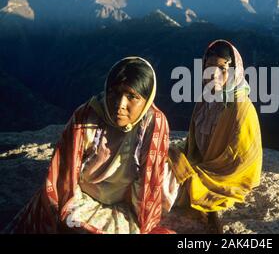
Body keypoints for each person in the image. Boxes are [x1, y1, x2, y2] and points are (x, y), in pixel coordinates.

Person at [6, 57, 179, 234]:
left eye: (132, 96)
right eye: (114, 93)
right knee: (64, 222)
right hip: (82, 195)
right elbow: (65, 174)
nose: (120, 104)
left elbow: (147, 183)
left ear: (147, 100)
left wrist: (140, 219)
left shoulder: (153, 124)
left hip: (125, 203)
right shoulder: (88, 115)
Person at [168, 40, 263, 233]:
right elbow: (193, 146)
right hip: (200, 167)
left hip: (221, 178)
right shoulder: (205, 100)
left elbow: (240, 164)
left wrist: (191, 174)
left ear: (235, 72)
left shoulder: (241, 109)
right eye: (209, 68)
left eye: (222, 68)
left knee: (161, 186)